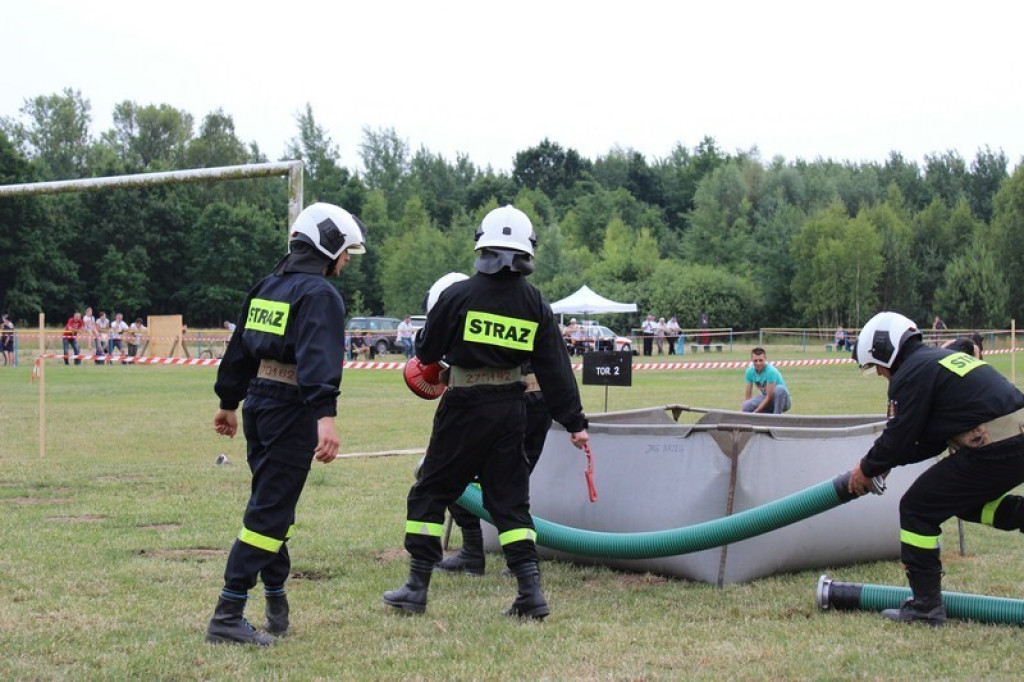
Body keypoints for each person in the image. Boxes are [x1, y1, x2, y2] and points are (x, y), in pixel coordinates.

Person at [383, 204, 589, 621]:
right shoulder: (536, 304)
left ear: (483, 245)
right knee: (511, 504)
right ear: (526, 250)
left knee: (430, 491)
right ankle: (530, 595)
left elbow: (426, 351)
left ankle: (416, 587)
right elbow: (555, 369)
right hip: (512, 409)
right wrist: (575, 423)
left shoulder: (459, 295)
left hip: (463, 408)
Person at [205, 202, 367, 646]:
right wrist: (326, 418)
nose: (347, 260)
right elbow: (318, 360)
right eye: (346, 251)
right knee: (271, 509)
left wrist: (228, 401)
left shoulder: (268, 285)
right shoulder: (319, 295)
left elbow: (239, 349)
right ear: (327, 245)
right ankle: (228, 613)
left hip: (259, 404)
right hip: (292, 409)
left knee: (271, 503)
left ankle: (275, 598)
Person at [847, 311, 1024, 626]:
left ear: (886, 350)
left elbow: (899, 434)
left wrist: (867, 467)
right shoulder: (936, 360)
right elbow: (930, 442)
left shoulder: (912, 372)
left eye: (876, 366)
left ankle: (925, 608)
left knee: (917, 509)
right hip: (1011, 441)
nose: (878, 375)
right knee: (961, 504)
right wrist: (886, 463)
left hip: (996, 446)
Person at [741, 347, 791, 414]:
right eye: (755, 361)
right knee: (746, 406)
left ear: (765, 359)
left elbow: (769, 397)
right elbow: (748, 396)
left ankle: (776, 417)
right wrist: (746, 412)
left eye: (761, 360)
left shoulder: (771, 371)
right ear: (751, 360)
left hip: (781, 400)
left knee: (779, 389)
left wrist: (755, 412)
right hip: (766, 398)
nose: (758, 363)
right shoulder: (749, 372)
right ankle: (767, 416)